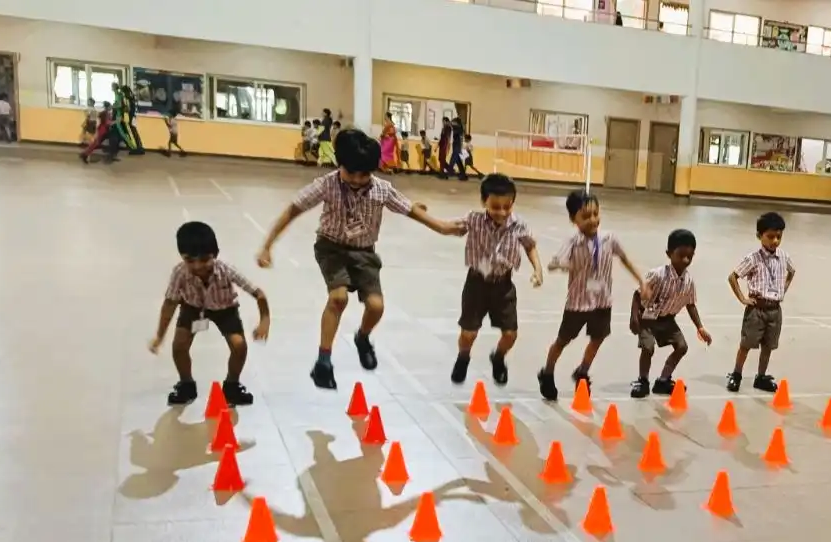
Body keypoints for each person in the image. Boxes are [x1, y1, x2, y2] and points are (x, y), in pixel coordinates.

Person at [255, 128, 458, 391]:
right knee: (338, 298)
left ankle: (362, 338)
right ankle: (323, 361)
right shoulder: (327, 184)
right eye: (351, 173)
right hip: (332, 249)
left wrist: (442, 226)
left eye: (364, 174)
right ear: (339, 163)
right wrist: (267, 246)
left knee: (376, 306)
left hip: (364, 253)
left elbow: (410, 209)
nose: (357, 180)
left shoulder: (381, 189)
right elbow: (293, 210)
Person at [538, 190, 647, 401]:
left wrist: (641, 281)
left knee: (598, 338)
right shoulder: (573, 242)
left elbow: (625, 259)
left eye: (596, 214)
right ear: (574, 219)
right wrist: (560, 265)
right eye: (586, 216)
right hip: (577, 303)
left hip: (602, 301)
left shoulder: (609, 239)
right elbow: (554, 263)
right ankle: (547, 372)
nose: (593, 220)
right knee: (562, 340)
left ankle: (582, 371)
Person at [150, 221, 271, 408]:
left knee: (239, 346)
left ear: (215, 254)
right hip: (192, 308)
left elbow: (258, 294)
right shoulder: (179, 273)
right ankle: (186, 385)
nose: (198, 266)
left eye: (205, 259)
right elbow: (170, 303)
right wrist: (159, 336)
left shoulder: (227, 270)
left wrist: (264, 321)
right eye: (190, 260)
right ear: (182, 257)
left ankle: (232, 386)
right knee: (179, 345)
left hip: (225, 309)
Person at [438, 173, 542, 385]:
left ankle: (498, 357)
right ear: (483, 201)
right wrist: (422, 216)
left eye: (507, 207)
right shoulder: (474, 220)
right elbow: (447, 227)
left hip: (503, 286)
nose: (502, 212)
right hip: (476, 284)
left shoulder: (519, 225)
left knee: (510, 334)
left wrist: (538, 269)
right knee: (468, 334)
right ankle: (463, 357)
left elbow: (530, 246)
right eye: (495, 207)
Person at [630, 229, 710, 398]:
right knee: (648, 348)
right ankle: (643, 381)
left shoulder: (689, 281)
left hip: (668, 320)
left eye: (690, 256)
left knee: (682, 347)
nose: (685, 260)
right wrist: (634, 317)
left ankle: (663, 380)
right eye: (681, 255)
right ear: (669, 254)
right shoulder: (657, 275)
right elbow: (637, 294)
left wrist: (700, 327)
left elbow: (691, 305)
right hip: (647, 318)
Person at [726, 211, 795, 393]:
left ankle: (761, 377)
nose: (775, 241)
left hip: (775, 310)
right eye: (770, 236)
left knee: (768, 346)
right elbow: (733, 277)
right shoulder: (753, 258)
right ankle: (736, 374)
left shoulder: (784, 257)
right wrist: (743, 299)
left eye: (779, 237)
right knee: (746, 344)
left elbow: (792, 271)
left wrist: (783, 289)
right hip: (757, 309)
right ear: (759, 235)